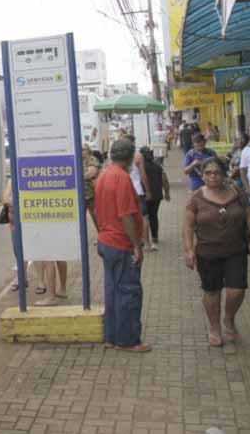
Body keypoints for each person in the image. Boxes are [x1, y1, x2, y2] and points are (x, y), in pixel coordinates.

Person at [183, 157, 250, 346]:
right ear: (202, 175)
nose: (212, 176)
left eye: (217, 172)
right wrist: (189, 250)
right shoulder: (196, 198)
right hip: (208, 252)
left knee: (237, 290)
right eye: (208, 173)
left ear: (224, 174)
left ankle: (229, 319)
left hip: (236, 250)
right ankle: (214, 327)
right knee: (212, 292)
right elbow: (187, 225)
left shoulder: (236, 192)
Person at [94, 138, 150, 352]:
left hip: (106, 240)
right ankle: (127, 340)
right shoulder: (122, 178)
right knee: (128, 291)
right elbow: (126, 214)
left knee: (113, 291)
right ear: (129, 158)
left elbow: (99, 211)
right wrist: (136, 245)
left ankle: (112, 336)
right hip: (121, 243)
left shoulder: (103, 175)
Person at [141, 146, 170, 250]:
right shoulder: (158, 166)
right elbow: (165, 181)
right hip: (157, 195)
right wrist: (167, 193)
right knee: (153, 216)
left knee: (144, 217)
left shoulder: (140, 167)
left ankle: (145, 239)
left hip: (143, 195)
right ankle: (155, 237)